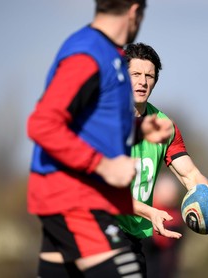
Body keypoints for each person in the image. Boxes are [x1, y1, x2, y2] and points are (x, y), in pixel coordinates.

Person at [26, 1, 174, 277]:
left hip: (71, 197)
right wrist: (103, 166)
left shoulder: (109, 55)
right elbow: (42, 124)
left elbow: (88, 124)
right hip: (72, 197)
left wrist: (139, 131)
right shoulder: (88, 54)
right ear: (134, 11)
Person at [116, 42, 208, 275]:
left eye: (149, 76)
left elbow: (189, 174)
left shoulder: (164, 125)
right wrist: (150, 211)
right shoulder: (104, 121)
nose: (143, 82)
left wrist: (206, 190)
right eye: (135, 74)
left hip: (133, 237)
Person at [142, 173, 185, 278]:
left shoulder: (177, 219)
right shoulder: (144, 213)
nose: (170, 195)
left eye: (172, 192)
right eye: (166, 191)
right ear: (156, 192)